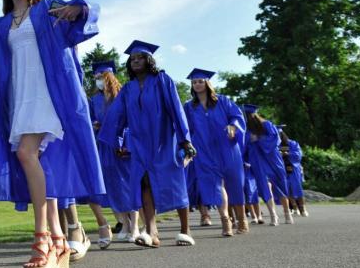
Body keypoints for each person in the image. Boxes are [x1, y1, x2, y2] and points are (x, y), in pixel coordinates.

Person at [0, 0, 103, 268]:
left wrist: (79, 8)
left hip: (49, 96)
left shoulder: (48, 10)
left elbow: (87, 12)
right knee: (43, 167)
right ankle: (59, 244)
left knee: (27, 154)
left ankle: (41, 239)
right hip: (20, 99)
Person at [97, 41, 197, 248]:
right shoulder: (128, 89)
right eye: (132, 59)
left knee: (174, 181)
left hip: (163, 140)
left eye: (140, 58)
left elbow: (176, 109)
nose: (135, 62)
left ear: (149, 60)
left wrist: (185, 139)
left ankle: (185, 229)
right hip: (139, 143)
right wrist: (117, 141)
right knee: (144, 182)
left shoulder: (162, 80)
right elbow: (117, 115)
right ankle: (152, 232)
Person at [183, 69, 249, 237]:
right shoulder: (189, 107)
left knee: (234, 183)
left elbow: (236, 116)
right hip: (204, 149)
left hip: (227, 147)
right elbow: (185, 128)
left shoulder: (223, 101)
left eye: (200, 81)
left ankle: (241, 220)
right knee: (214, 185)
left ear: (207, 83)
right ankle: (225, 220)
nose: (197, 84)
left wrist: (233, 126)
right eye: (194, 82)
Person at [89, 61, 139, 244]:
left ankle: (134, 226)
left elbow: (130, 120)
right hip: (103, 145)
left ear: (109, 76)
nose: (98, 81)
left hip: (121, 145)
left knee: (127, 185)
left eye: (100, 77)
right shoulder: (94, 99)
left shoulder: (122, 95)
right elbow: (92, 118)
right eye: (95, 78)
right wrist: (96, 124)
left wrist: (122, 139)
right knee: (111, 187)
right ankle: (123, 223)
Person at [242, 105, 292, 226]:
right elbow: (244, 146)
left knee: (280, 185)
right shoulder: (245, 129)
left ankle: (287, 213)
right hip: (257, 160)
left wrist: (259, 138)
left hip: (272, 158)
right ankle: (273, 215)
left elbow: (275, 140)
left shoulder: (267, 125)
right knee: (264, 187)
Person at [279, 130, 309, 217]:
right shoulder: (276, 145)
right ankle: (295, 208)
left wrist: (287, 153)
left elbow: (298, 155)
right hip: (283, 169)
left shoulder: (292, 143)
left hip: (293, 169)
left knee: (297, 189)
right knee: (287, 190)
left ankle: (303, 209)